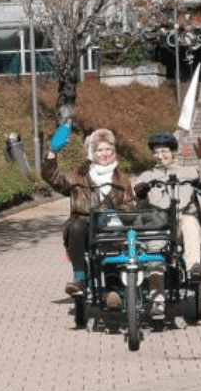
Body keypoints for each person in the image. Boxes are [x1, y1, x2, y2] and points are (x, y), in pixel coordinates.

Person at [133, 131, 201, 319]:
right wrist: (141, 189)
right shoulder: (148, 175)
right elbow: (136, 192)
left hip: (181, 222)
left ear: (173, 152)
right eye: (156, 152)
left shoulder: (187, 173)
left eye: (164, 151)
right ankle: (157, 302)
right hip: (158, 225)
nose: (160, 156)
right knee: (154, 257)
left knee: (190, 221)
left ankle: (193, 267)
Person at [42, 127, 135, 297]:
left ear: (114, 152)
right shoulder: (79, 174)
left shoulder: (122, 179)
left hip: (112, 228)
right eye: (99, 150)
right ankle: (79, 277)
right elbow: (53, 177)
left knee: (113, 242)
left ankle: (112, 289)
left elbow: (130, 206)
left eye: (108, 149)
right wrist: (52, 153)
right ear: (92, 153)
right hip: (85, 226)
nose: (104, 153)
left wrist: (116, 216)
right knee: (75, 226)